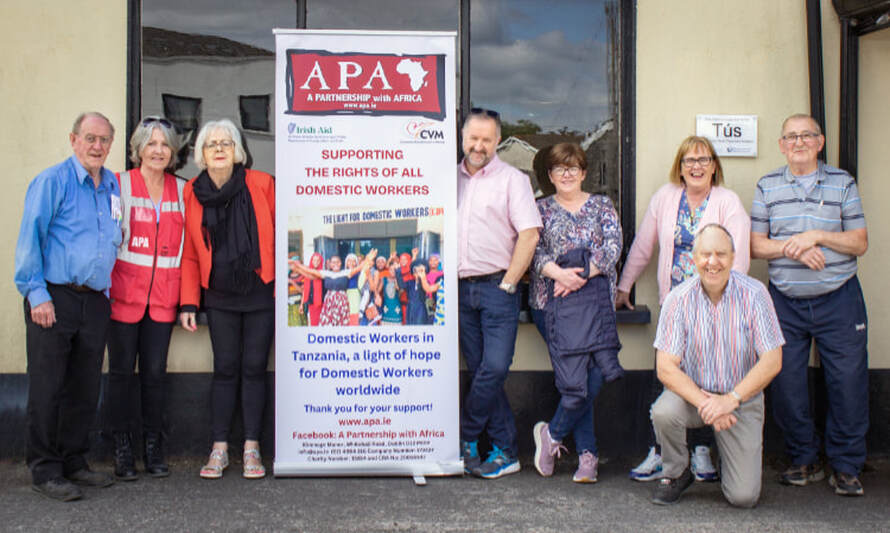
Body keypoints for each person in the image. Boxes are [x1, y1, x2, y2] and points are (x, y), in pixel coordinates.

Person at [617, 135, 750, 482]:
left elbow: (739, 259)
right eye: (689, 160)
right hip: (675, 305)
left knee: (708, 377)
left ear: (714, 167)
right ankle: (659, 451)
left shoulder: (728, 202)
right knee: (668, 375)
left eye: (703, 160)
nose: (696, 166)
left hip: (715, 306)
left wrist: (722, 300)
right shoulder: (665, 198)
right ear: (679, 167)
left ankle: (702, 450)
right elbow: (644, 245)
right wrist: (623, 285)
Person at [751, 114, 869, 496]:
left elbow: (859, 242)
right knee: (787, 383)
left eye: (806, 136)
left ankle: (847, 466)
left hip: (840, 298)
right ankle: (804, 459)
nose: (798, 142)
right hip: (785, 301)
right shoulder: (767, 185)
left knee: (848, 382)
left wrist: (818, 236)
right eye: (791, 136)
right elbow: (756, 245)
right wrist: (795, 248)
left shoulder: (842, 183)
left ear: (820, 142)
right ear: (781, 144)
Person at [14, 112, 121, 501]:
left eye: (104, 140)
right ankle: (45, 469)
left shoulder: (111, 184)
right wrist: (35, 293)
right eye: (90, 138)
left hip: (94, 301)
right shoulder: (51, 182)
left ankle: (74, 461)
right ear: (73, 139)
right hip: (53, 297)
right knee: (48, 386)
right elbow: (30, 238)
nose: (97, 146)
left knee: (83, 387)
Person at [650, 224, 784, 507]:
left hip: (741, 400)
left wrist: (731, 400)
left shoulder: (755, 294)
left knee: (743, 498)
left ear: (734, 257)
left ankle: (729, 459)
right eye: (706, 254)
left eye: (721, 254)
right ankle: (675, 472)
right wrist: (708, 404)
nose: (713, 262)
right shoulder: (678, 299)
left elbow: (772, 360)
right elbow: (665, 368)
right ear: (694, 258)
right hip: (693, 395)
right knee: (663, 412)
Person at [179, 118, 275, 480]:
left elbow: (282, 238)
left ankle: (252, 448)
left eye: (226, 143)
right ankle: (218, 448)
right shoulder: (191, 191)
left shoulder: (262, 184)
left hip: (260, 292)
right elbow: (190, 250)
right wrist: (189, 302)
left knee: (253, 368)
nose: (219, 149)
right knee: (225, 369)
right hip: (218, 295)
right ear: (201, 155)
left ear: (238, 151)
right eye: (211, 144)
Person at [528, 143, 622, 483]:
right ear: (550, 176)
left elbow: (613, 247)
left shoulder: (601, 206)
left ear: (583, 172)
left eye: (573, 168)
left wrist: (578, 277)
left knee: (593, 375)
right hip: (550, 305)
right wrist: (559, 274)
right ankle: (588, 456)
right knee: (575, 379)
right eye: (558, 168)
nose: (566, 174)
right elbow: (532, 251)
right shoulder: (538, 209)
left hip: (595, 306)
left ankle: (552, 435)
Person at [458, 108, 542, 479]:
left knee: (493, 367)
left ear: (497, 141)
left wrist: (509, 282)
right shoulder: (448, 179)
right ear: (463, 139)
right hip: (458, 290)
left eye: (487, 140)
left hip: (498, 289)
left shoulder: (513, 180)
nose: (479, 146)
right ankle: (504, 451)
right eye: (473, 138)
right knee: (479, 371)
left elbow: (530, 234)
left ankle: (466, 436)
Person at [107, 116, 185, 481]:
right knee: (121, 375)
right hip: (123, 297)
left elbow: (190, 253)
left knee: (155, 374)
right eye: (151, 144)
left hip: (163, 300)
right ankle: (122, 448)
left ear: (173, 152)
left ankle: (154, 445)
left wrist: (187, 302)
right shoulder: (119, 185)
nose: (158, 150)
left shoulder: (184, 191)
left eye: (165, 144)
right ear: (138, 149)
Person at [291, 250, 377, 326]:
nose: (336, 264)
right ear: (330, 264)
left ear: (341, 263)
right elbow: (310, 271)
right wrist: (297, 265)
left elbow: (359, 267)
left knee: (342, 325)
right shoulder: (326, 273)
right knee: (327, 324)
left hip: (342, 303)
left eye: (338, 262)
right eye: (333, 262)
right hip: (329, 303)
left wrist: (367, 259)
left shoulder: (346, 272)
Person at [301, 252, 324, 326]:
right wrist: (301, 304)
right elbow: (305, 290)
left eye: (318, 260)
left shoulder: (323, 273)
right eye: (314, 260)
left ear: (321, 262)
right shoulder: (307, 274)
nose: (316, 262)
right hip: (311, 304)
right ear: (311, 261)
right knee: (314, 324)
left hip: (322, 304)